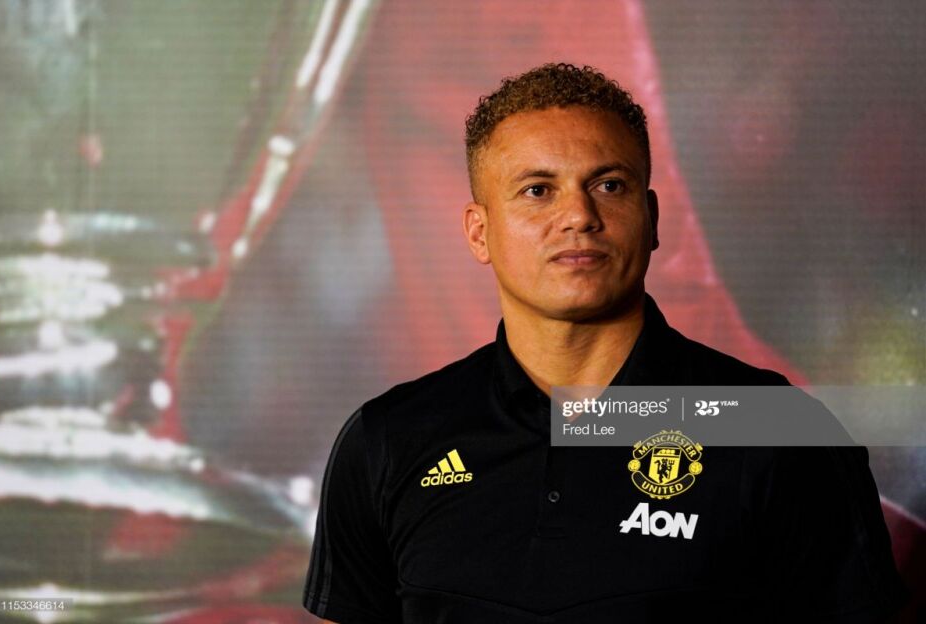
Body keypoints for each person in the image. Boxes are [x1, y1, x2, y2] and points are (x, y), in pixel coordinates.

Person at [303, 63, 907, 623]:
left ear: (653, 218)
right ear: (479, 232)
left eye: (610, 185)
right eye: (538, 190)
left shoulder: (778, 429)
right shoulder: (390, 439)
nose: (579, 216)